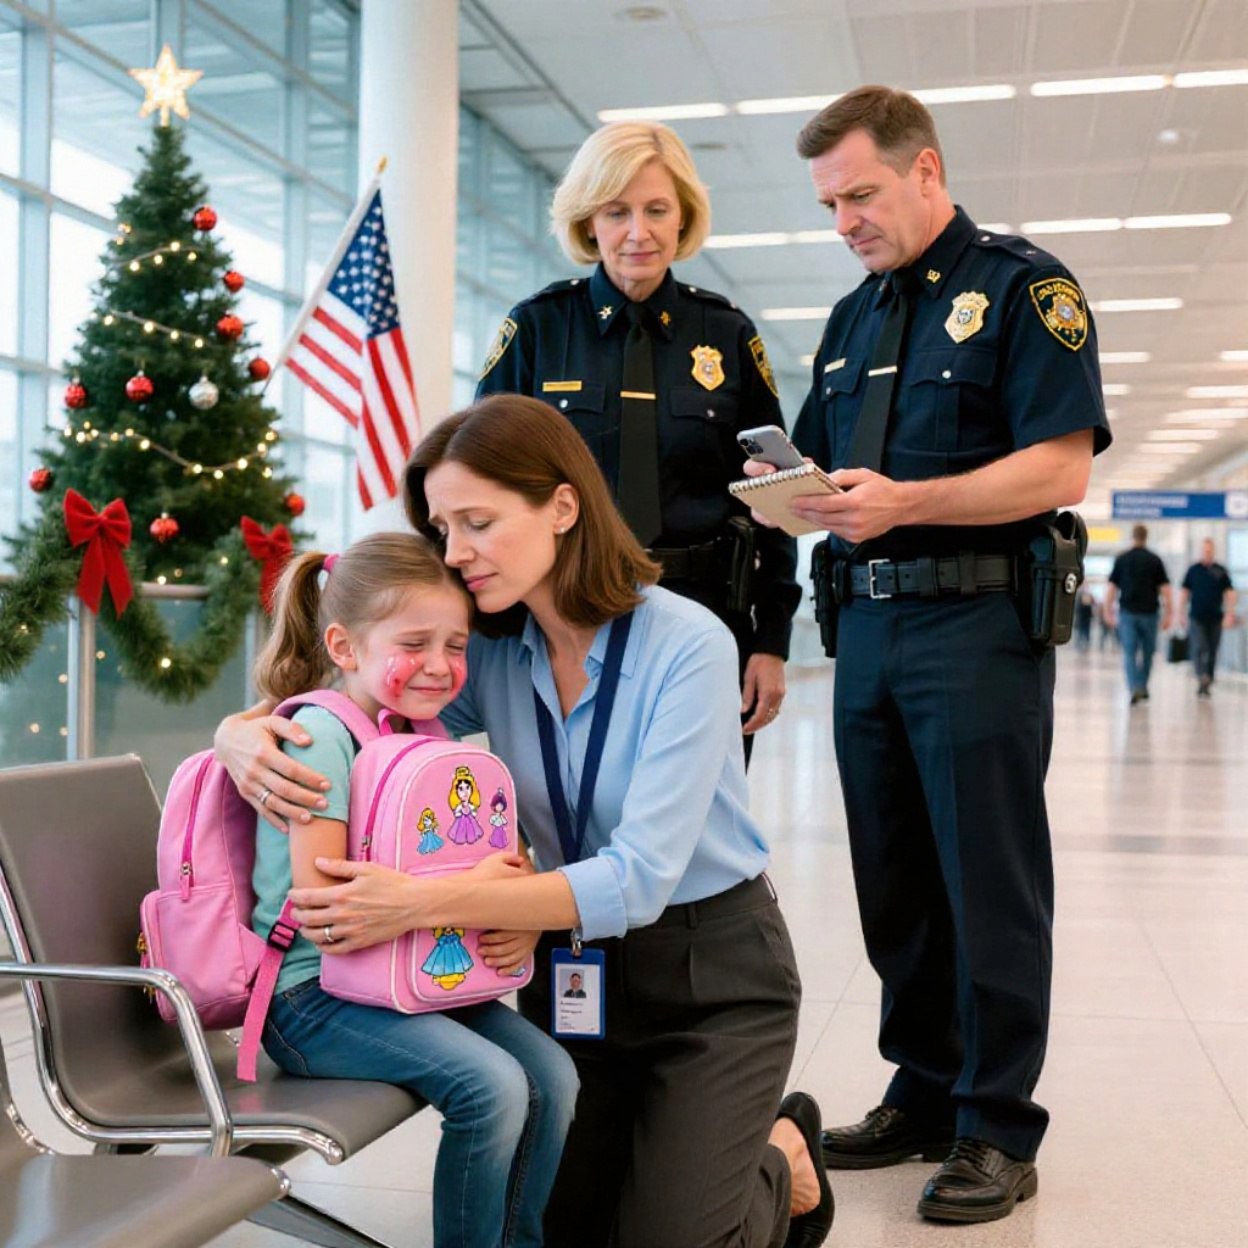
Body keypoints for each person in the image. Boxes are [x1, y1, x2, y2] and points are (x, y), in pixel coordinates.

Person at [215, 395, 834, 1248]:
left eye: (477, 521)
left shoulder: (688, 644)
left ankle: (780, 1155)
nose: (455, 553)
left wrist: (421, 904)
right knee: (566, 1226)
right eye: (442, 529)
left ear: (562, 507)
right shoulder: (488, 656)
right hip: (571, 971)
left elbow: (638, 879)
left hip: (710, 975)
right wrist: (238, 735)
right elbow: (359, 709)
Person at [746, 85, 1110, 1224]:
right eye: (828, 202)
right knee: (895, 874)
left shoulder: (1022, 288)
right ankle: (926, 1085)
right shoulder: (855, 320)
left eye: (859, 193)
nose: (844, 218)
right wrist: (793, 501)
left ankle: (999, 1123)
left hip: (976, 625)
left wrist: (910, 503)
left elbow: (1059, 468)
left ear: (926, 170)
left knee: (986, 879)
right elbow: (834, 474)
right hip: (871, 627)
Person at [244, 530, 580, 1248]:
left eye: (455, 646)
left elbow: (488, 856)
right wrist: (476, 887)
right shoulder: (318, 738)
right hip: (310, 998)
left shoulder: (422, 733)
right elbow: (325, 910)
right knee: (489, 1089)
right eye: (416, 642)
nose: (438, 665)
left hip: (408, 977)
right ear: (343, 647)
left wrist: (506, 895)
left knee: (553, 1076)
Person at [476, 120, 801, 762]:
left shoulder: (728, 333)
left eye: (657, 210)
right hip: (567, 617)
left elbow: (774, 500)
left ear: (683, 217)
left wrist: (773, 641)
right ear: (587, 220)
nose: (638, 232)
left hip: (707, 618)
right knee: (574, 817)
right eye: (616, 211)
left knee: (703, 828)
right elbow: (481, 483)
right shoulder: (539, 328)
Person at [1105, 524, 1173, 704]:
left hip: (1127, 613)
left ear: (1132, 537)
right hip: (1150, 613)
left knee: (1129, 652)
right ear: (1146, 537)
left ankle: (1134, 687)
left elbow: (1111, 588)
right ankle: (1141, 685)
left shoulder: (1122, 559)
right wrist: (1169, 613)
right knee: (1148, 652)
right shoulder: (1155, 560)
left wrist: (1107, 610)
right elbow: (1165, 590)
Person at [1180, 537, 1238, 696]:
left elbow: (1230, 593)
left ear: (1213, 551)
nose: (1207, 552)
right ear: (1201, 551)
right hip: (1196, 616)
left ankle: (1208, 679)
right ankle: (1201, 676)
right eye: (1205, 550)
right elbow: (1185, 592)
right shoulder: (1193, 570)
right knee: (1199, 646)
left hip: (1215, 617)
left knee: (1212, 649)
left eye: (1209, 549)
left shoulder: (1220, 571)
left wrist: (1230, 613)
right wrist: (1181, 613)